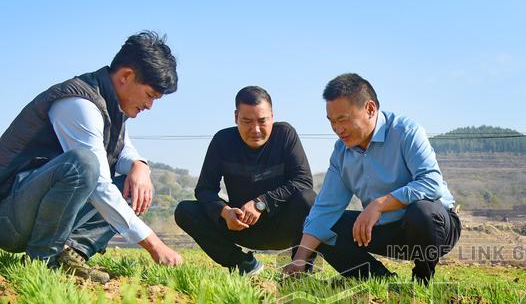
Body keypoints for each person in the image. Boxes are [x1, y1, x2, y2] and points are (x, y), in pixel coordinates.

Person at [0, 31, 183, 283]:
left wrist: (140, 166)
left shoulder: (111, 106)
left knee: (133, 187)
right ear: (126, 76)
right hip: (5, 217)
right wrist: (153, 244)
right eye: (150, 96)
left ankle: (70, 254)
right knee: (84, 164)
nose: (150, 106)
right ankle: (41, 260)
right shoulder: (78, 103)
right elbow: (98, 183)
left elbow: (123, 147)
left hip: (32, 211)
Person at [283, 73, 461, 284]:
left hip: (432, 228)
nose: (337, 129)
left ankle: (422, 279)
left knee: (422, 212)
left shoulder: (406, 131)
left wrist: (379, 205)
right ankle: (381, 281)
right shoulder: (341, 152)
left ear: (370, 109)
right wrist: (300, 259)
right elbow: (325, 209)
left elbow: (431, 184)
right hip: (383, 229)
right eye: (332, 121)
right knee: (325, 225)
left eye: (343, 119)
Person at [174, 86, 315, 275]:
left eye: (262, 121)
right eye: (246, 121)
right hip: (241, 225)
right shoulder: (222, 141)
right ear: (235, 117)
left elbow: (303, 181)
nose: (255, 129)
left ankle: (301, 270)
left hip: (283, 226)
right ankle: (242, 263)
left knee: (308, 199)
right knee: (185, 210)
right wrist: (225, 212)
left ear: (272, 116)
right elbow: (204, 189)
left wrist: (261, 203)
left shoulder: (285, 135)